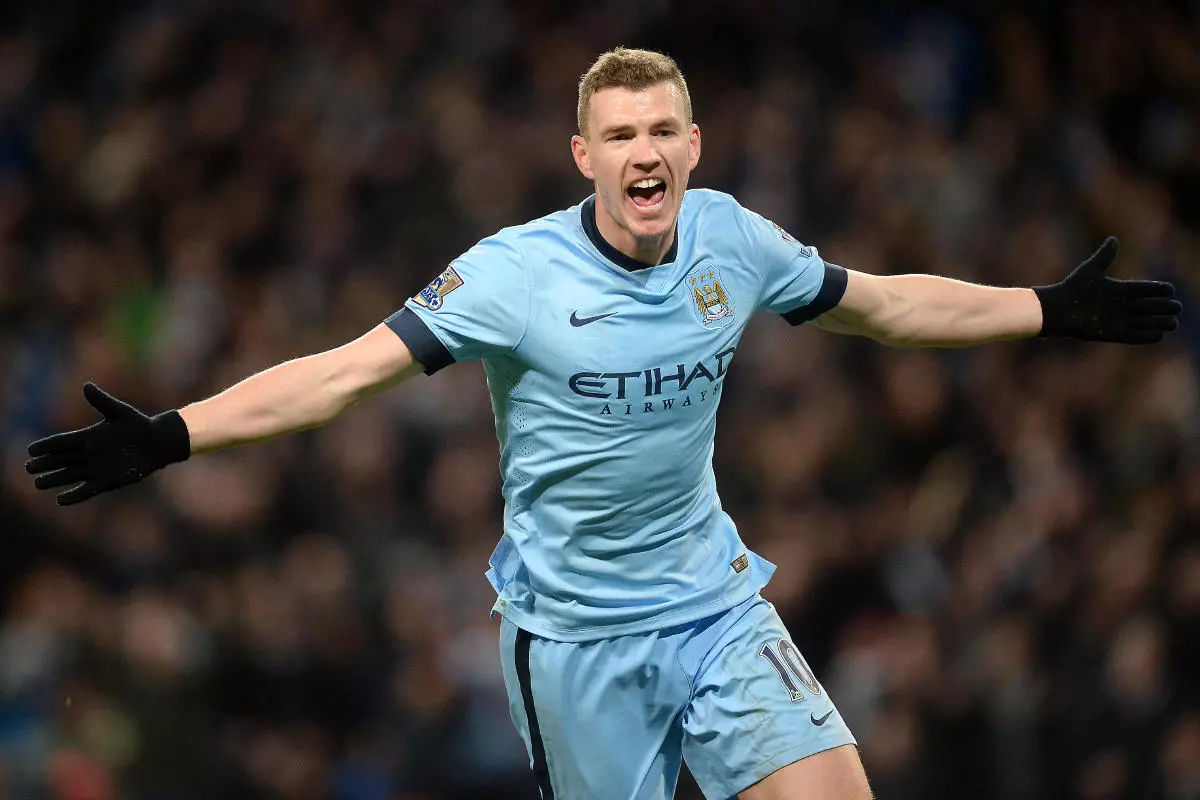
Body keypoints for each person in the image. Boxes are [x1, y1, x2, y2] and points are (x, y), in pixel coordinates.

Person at [25, 48, 1182, 800]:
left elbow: (884, 305)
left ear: (690, 148)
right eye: (619, 135)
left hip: (714, 602)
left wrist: (1042, 308)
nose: (644, 152)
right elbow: (340, 377)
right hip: (575, 638)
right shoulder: (511, 276)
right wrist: (174, 434)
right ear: (585, 157)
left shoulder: (734, 237)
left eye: (662, 130)